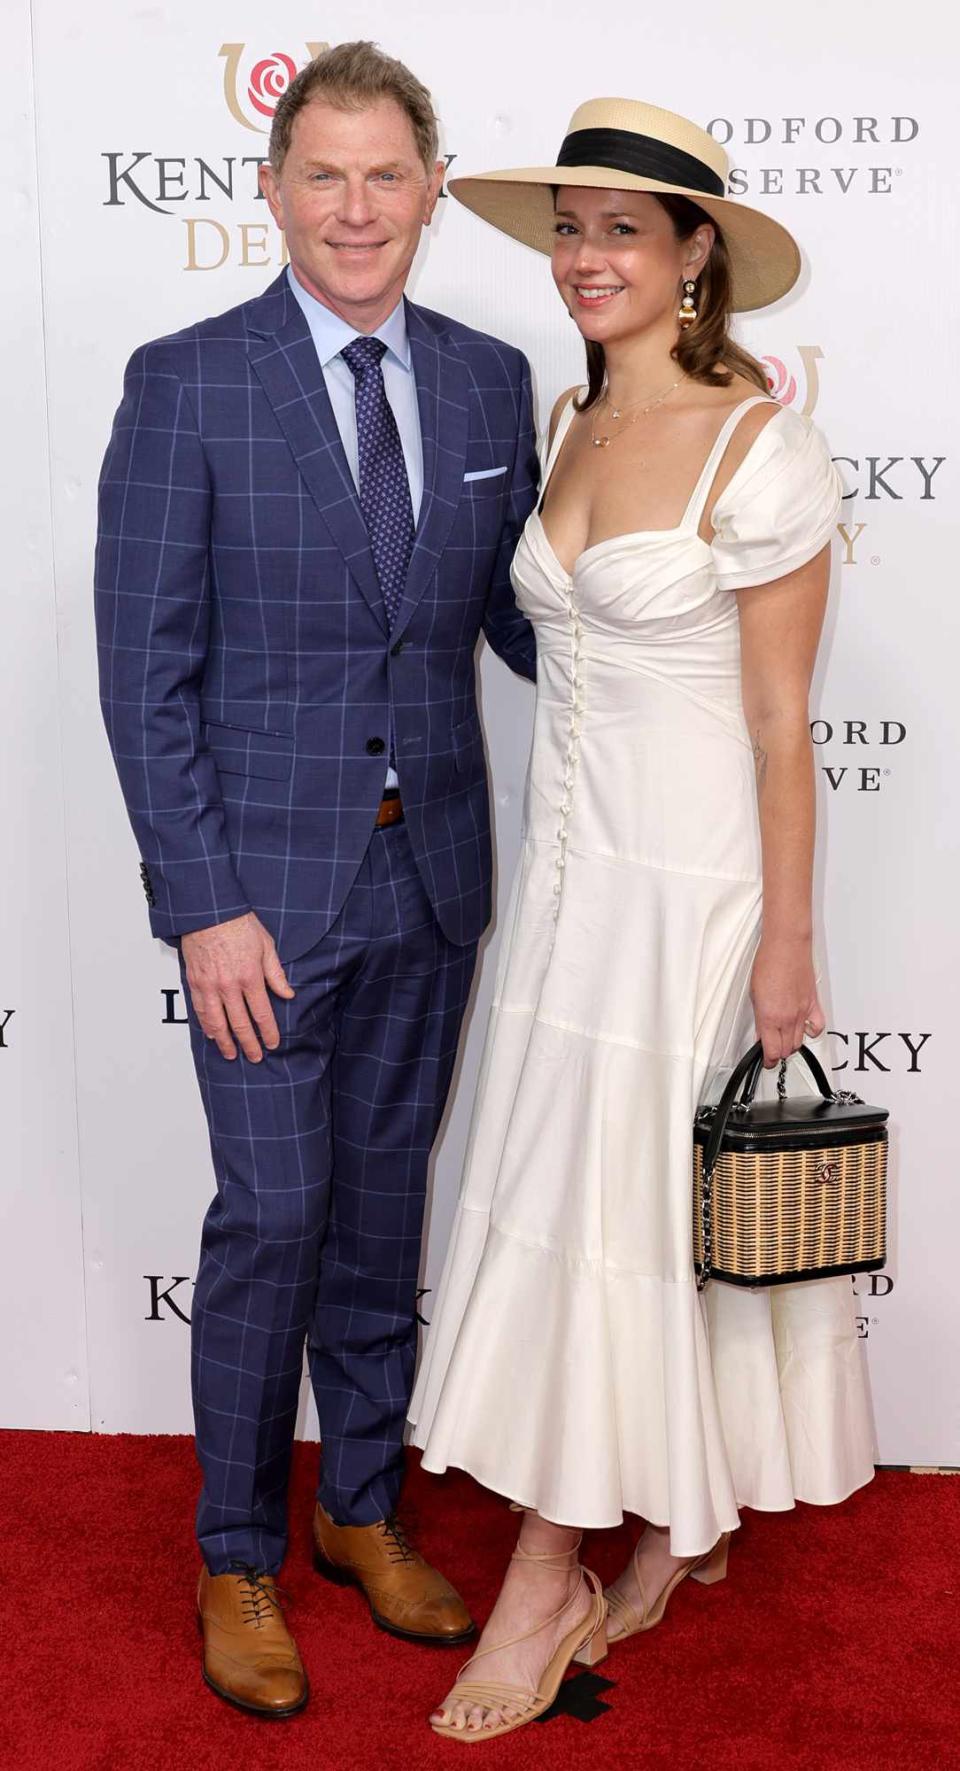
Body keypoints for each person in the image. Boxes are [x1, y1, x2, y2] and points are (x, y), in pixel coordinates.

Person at [409, 97, 876, 1742]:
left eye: (623, 228)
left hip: (691, 895)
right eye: (569, 228)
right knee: (586, 1202)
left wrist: (790, 943)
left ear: (697, 259)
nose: (586, 258)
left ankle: (554, 1577)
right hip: (565, 886)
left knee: (629, 1208)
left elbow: (779, 728)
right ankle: (684, 1512)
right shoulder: (563, 419)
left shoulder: (764, 449)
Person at [95, 41, 538, 1719]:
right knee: (271, 1219)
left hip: (431, 886)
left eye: (387, 175)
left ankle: (360, 1511)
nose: (357, 208)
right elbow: (148, 670)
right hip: (257, 909)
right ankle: (236, 1551)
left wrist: (664, 612)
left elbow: (518, 615)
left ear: (430, 190)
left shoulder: (498, 383)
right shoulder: (188, 380)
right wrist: (199, 900)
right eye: (324, 175)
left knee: (375, 1221)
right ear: (273, 191)